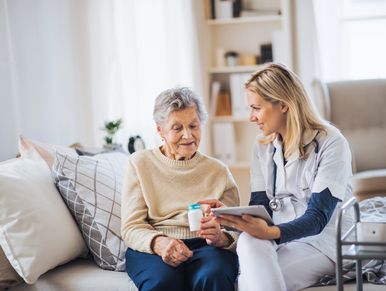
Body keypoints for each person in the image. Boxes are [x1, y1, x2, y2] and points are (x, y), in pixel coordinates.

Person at [206, 63, 353, 291]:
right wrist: (230, 217)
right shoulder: (262, 146)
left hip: (322, 241)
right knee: (247, 240)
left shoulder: (332, 143)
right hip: (279, 237)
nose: (251, 118)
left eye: (256, 108)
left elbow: (317, 219)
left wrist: (270, 233)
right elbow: (260, 208)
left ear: (283, 105)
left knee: (248, 282)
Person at [121, 87, 240, 291]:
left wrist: (221, 237)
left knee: (213, 277)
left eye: (194, 125)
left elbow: (236, 228)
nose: (188, 135)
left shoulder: (218, 171)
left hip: (206, 246)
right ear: (159, 129)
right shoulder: (139, 164)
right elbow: (131, 227)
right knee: (162, 282)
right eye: (177, 128)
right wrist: (159, 243)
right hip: (156, 245)